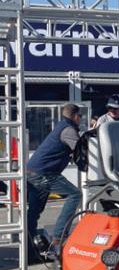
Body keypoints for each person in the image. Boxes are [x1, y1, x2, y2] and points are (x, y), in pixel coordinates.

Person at [26, 103, 82, 259]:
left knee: (34, 213)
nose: (80, 119)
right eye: (80, 116)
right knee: (75, 194)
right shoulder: (69, 130)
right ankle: (58, 237)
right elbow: (82, 150)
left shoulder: (60, 126)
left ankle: (29, 250)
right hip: (44, 173)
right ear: (75, 116)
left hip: (32, 172)